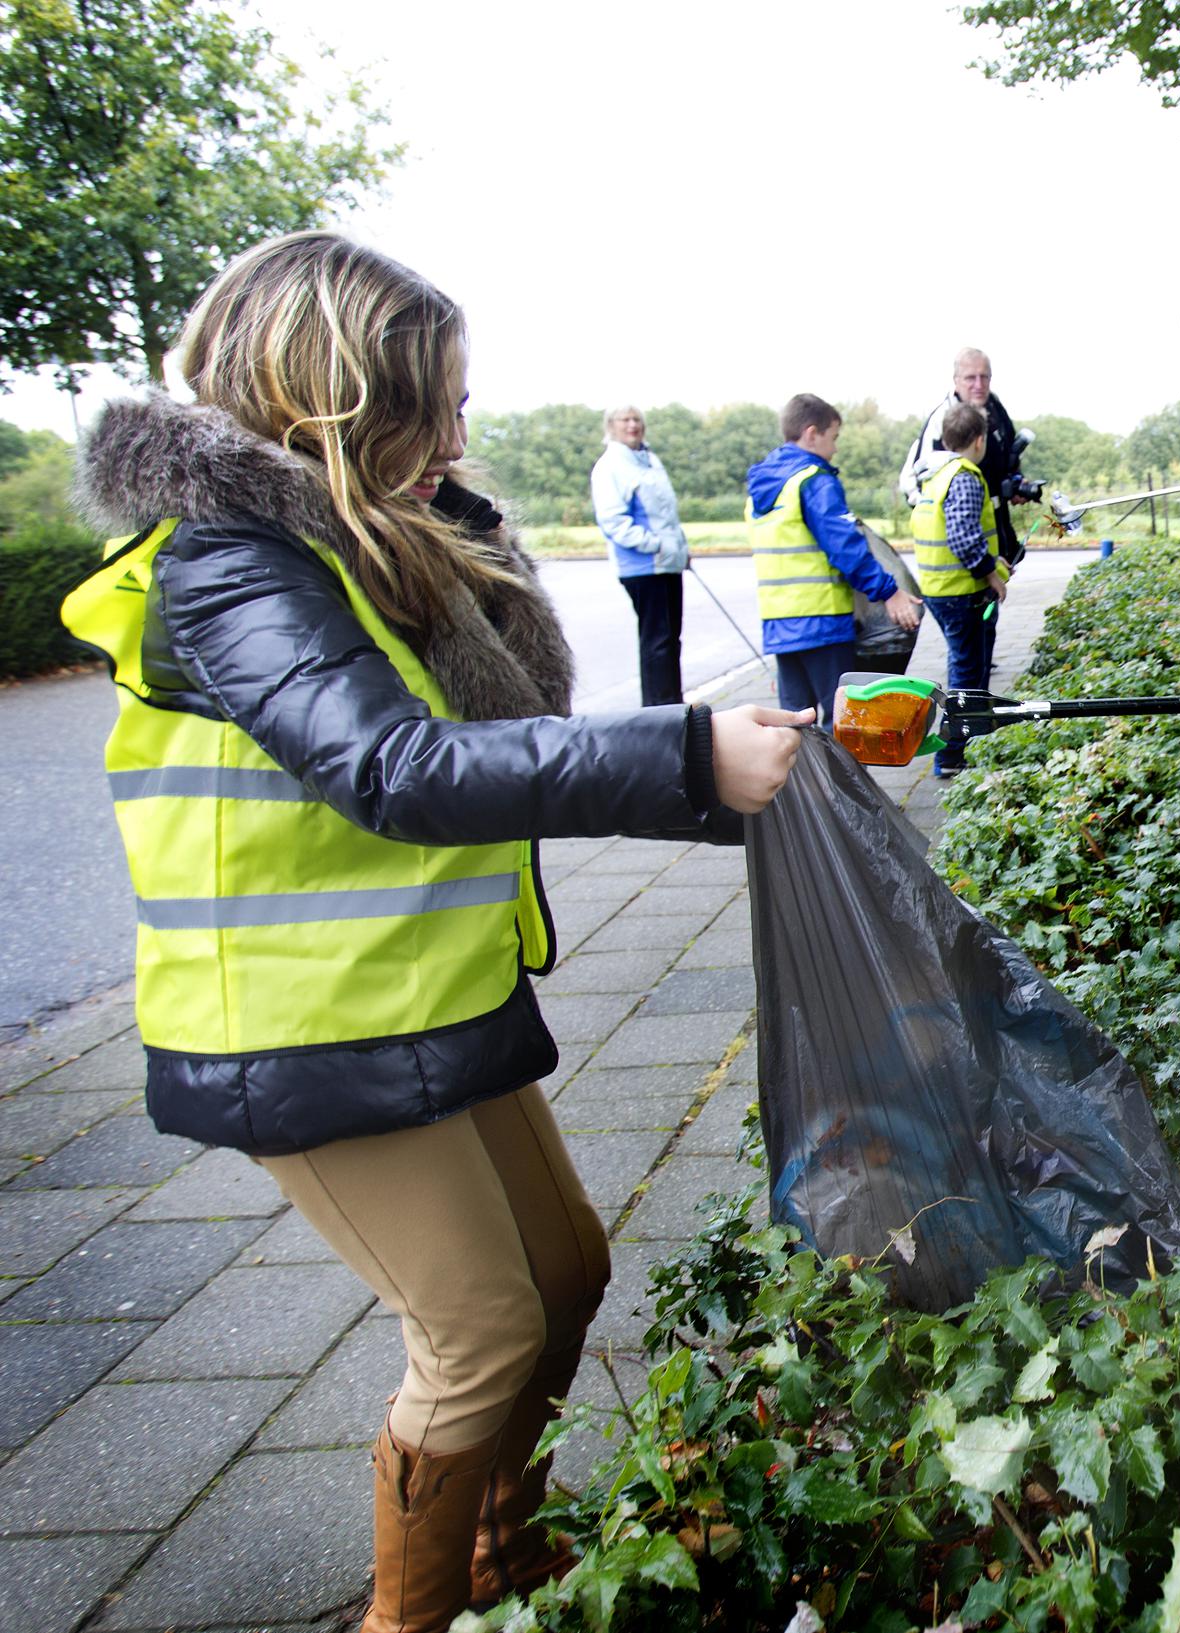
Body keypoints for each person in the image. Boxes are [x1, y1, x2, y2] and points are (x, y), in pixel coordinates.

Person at [60, 231, 816, 1633]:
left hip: (416, 998)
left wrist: (734, 785)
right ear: (336, 396)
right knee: (478, 1333)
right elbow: (396, 769)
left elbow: (502, 746)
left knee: (567, 1276)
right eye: (433, 407)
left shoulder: (361, 549)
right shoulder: (232, 565)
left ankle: (496, 1566)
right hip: (298, 1025)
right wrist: (685, 756)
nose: (457, 441)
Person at [745, 394, 923, 725]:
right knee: (845, 722)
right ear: (812, 434)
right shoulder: (813, 481)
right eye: (834, 437)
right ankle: (838, 765)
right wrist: (889, 591)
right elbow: (847, 547)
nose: (836, 448)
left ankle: (798, 765)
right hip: (823, 622)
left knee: (794, 724)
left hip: (780, 625)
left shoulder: (763, 488)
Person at [909, 401, 1008, 775]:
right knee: (968, 673)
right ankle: (952, 755)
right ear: (979, 440)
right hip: (960, 592)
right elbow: (964, 537)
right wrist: (992, 574)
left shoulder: (935, 475)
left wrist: (994, 561)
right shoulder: (964, 476)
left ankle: (968, 743)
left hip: (939, 589)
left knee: (966, 664)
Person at [896, 347, 1038, 565]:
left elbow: (1008, 459)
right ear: (956, 380)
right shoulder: (941, 420)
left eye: (984, 377)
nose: (978, 385)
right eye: (971, 378)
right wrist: (946, 525)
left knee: (996, 584)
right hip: (959, 549)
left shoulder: (996, 411)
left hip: (996, 533)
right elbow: (914, 485)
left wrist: (1015, 484)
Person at [589, 405, 688, 705]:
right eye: (626, 420)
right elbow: (613, 522)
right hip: (642, 566)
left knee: (670, 640)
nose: (633, 425)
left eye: (637, 420)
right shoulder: (610, 466)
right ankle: (660, 710)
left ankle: (673, 704)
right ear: (611, 426)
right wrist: (655, 545)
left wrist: (680, 548)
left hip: (668, 563)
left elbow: (666, 515)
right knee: (657, 641)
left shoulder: (650, 461)